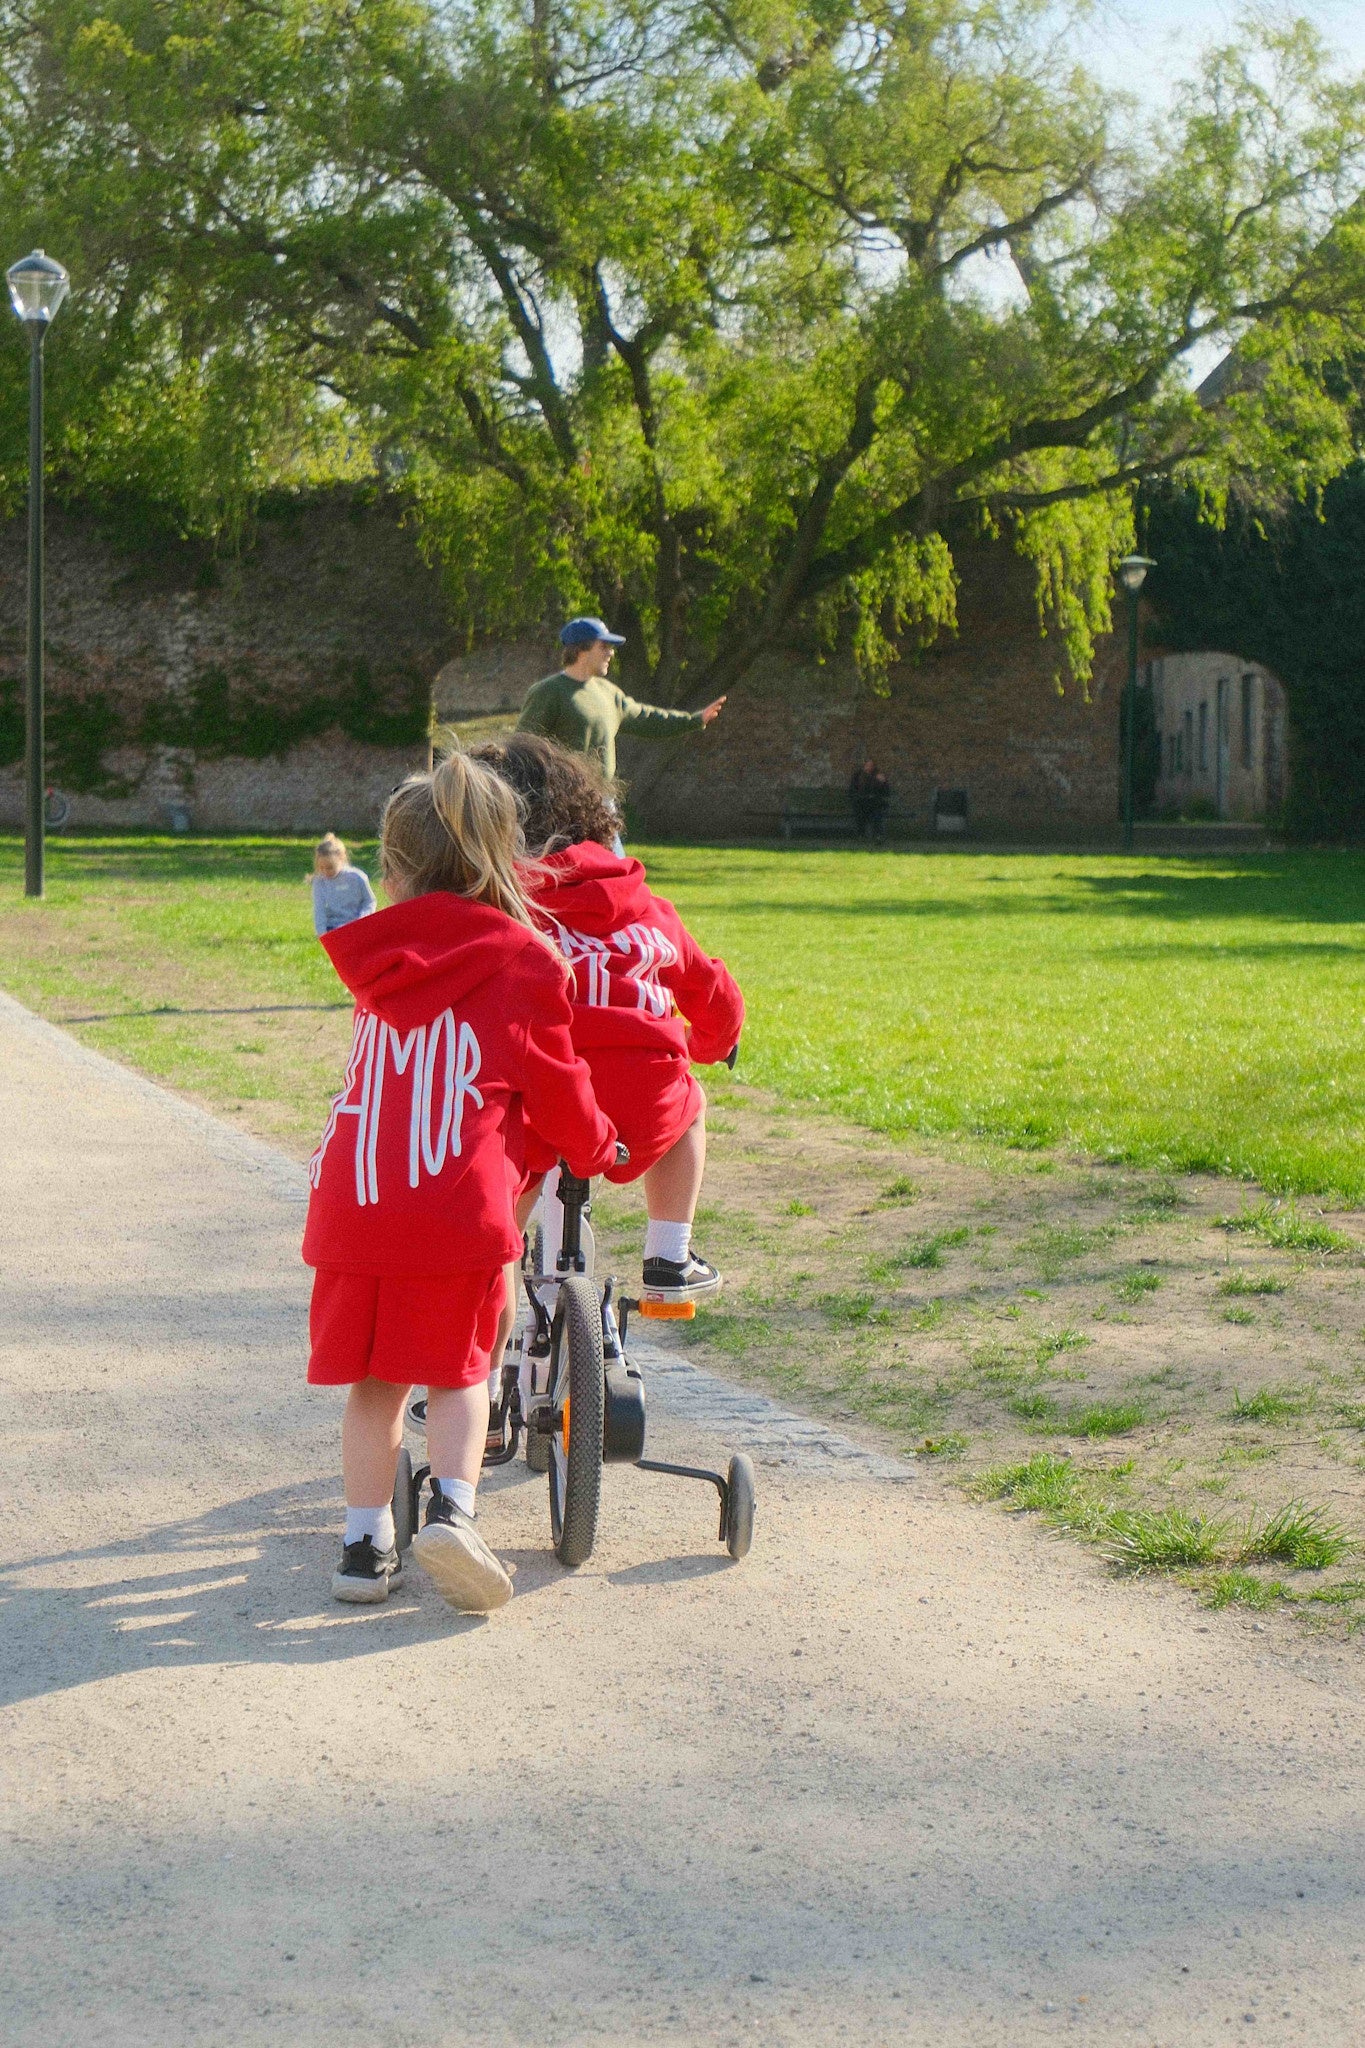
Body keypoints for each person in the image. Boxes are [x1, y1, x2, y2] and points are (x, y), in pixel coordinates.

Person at [303, 752, 618, 1611]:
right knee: (459, 1370)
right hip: (453, 1203)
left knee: (375, 1385)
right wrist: (598, 1146)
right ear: (501, 853)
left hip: (355, 1199)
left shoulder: (375, 956)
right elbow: (560, 1092)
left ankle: (363, 1547)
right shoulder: (522, 961)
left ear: (394, 866)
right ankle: (452, 1512)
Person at [470, 734, 743, 1388]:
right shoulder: (643, 903)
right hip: (639, 1099)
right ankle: (668, 1258)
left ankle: (478, 1377)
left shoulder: (507, 906)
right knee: (688, 1108)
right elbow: (709, 988)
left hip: (541, 1098)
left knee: (496, 1236)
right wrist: (712, 1043)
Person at [517, 616, 727, 786]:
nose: (611, 653)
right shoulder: (548, 692)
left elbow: (648, 719)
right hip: (562, 803)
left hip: (602, 801)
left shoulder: (609, 693)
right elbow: (522, 750)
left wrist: (695, 719)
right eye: (604, 646)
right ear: (581, 650)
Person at [310, 832, 376, 934]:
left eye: (330, 867)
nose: (325, 872)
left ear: (341, 859)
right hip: (333, 927)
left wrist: (363, 918)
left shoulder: (357, 877)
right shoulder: (319, 881)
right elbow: (319, 910)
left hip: (357, 924)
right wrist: (322, 933)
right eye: (321, 868)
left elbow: (369, 901)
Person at [848, 760, 891, 843]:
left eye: (871, 766)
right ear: (864, 766)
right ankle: (861, 835)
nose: (869, 767)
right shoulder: (858, 776)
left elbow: (886, 792)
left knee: (877, 814)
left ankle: (878, 836)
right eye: (867, 765)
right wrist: (857, 797)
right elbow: (852, 790)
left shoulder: (878, 776)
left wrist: (883, 782)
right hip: (861, 802)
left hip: (875, 802)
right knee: (860, 814)